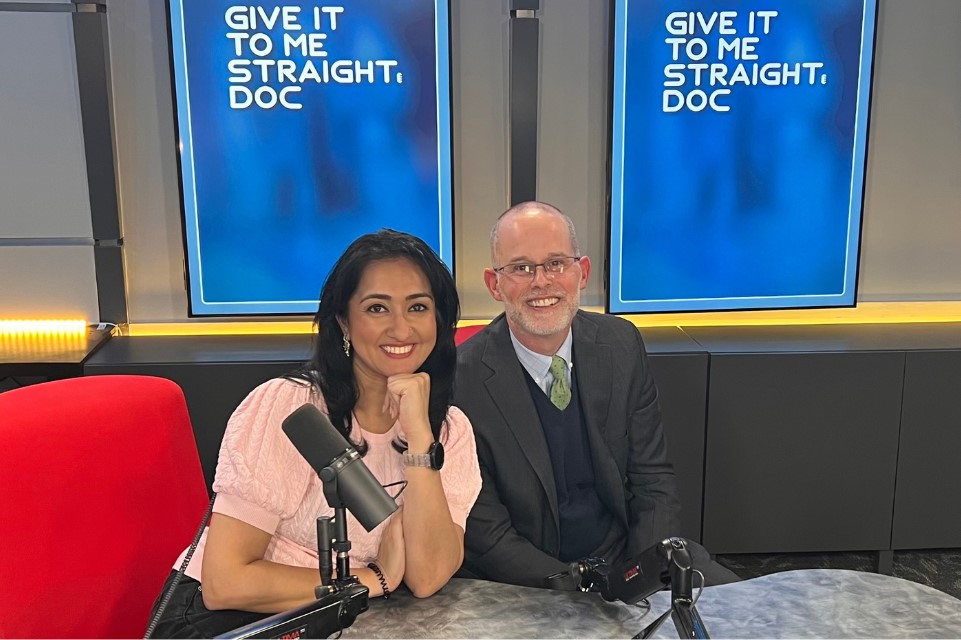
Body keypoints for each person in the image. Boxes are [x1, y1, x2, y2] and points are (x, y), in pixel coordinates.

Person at [148, 230, 481, 638]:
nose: (401, 328)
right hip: (237, 622)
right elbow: (225, 582)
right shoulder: (290, 409)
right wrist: (372, 578)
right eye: (377, 308)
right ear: (343, 320)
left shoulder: (449, 431)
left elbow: (427, 578)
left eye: (418, 307)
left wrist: (418, 440)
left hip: (349, 618)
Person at [454, 201, 738, 589]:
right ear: (494, 284)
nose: (542, 281)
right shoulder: (460, 380)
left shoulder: (620, 344)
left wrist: (642, 575)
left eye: (556, 263)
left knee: (757, 618)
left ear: (582, 272)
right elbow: (487, 535)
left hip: (632, 557)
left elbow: (652, 480)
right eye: (521, 268)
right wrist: (576, 588)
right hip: (530, 581)